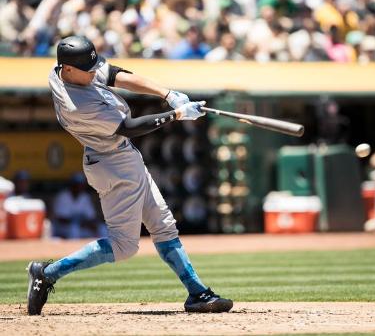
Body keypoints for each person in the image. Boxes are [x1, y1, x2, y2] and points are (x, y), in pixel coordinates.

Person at [27, 35, 232, 315]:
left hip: (123, 157)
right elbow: (130, 127)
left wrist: (167, 94)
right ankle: (47, 273)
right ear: (69, 70)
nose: (93, 73)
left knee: (163, 225)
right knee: (124, 246)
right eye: (87, 71)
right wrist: (176, 114)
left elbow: (114, 75)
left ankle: (197, 293)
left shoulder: (62, 69)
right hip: (112, 164)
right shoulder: (77, 105)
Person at [52, 172, 105, 239]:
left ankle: (105, 248)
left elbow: (91, 217)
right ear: (72, 185)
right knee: (74, 229)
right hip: (62, 228)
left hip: (81, 227)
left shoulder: (85, 197)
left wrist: (91, 224)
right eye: (77, 184)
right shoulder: (63, 196)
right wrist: (80, 223)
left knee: (102, 228)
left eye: (82, 185)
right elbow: (61, 220)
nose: (80, 187)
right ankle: (72, 248)